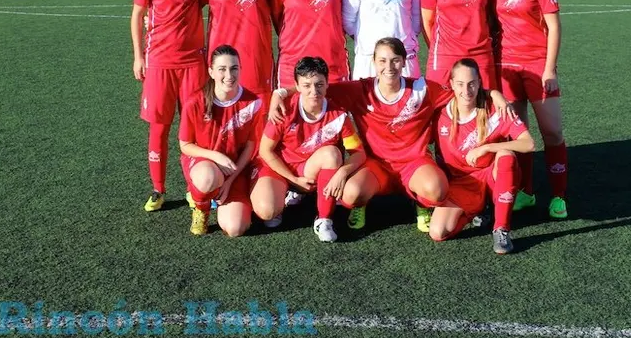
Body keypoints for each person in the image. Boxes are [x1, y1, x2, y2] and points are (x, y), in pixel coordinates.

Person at [270, 37, 514, 233]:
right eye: (383, 61)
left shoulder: (421, 89)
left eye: (395, 60)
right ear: (374, 62)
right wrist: (280, 93)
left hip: (414, 163)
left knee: (437, 190)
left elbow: (463, 91)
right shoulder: (360, 90)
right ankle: (362, 205)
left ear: (404, 62)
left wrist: (493, 93)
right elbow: (317, 86)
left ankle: (419, 202)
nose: (389, 67)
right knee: (350, 194)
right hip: (376, 165)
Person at [487, 0, 569, 220]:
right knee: (518, 133)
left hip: (537, 66)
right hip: (505, 68)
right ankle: (526, 192)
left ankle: (559, 195)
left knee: (552, 131)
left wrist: (549, 68)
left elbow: (555, 27)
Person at [131, 0, 206, 212]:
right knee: (159, 129)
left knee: (195, 129)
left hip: (193, 63)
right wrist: (139, 56)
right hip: (160, 62)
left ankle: (194, 188)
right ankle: (158, 189)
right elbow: (137, 15)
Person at [430, 59, 535, 254]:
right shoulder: (440, 114)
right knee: (437, 232)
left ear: (479, 82)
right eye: (460, 84)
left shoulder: (497, 109)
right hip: (463, 182)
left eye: (471, 83)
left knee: (506, 156)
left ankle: (501, 228)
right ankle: (479, 210)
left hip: (491, 174)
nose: (466, 90)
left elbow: (528, 143)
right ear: (452, 84)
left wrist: (488, 148)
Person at [256, 56, 366, 242]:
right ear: (297, 86)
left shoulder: (338, 115)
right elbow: (265, 151)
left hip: (309, 170)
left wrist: (342, 173)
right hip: (281, 169)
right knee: (268, 214)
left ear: (327, 84)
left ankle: (324, 219)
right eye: (306, 85)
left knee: (332, 154)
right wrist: (293, 179)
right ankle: (289, 192)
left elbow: (359, 153)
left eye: (319, 84)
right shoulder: (284, 109)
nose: (314, 91)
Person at [179, 45, 263, 236]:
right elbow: (185, 145)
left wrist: (230, 179)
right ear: (211, 71)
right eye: (222, 69)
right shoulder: (195, 102)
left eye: (234, 68)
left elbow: (251, 146)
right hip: (204, 164)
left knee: (235, 228)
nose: (229, 75)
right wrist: (216, 156)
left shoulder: (253, 102)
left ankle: (218, 193)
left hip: (235, 169)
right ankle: (201, 206)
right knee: (207, 177)